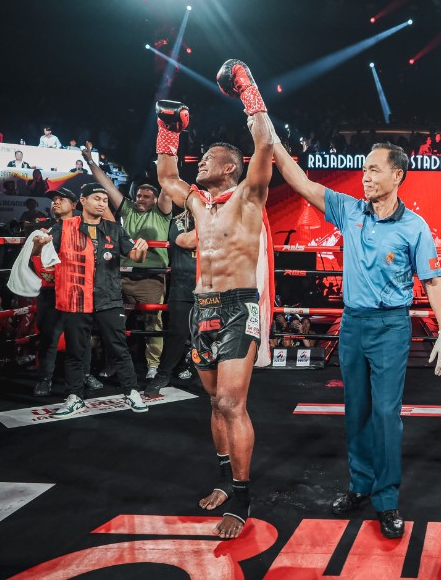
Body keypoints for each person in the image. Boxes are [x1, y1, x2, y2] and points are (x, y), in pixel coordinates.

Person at [272, 137, 441, 539]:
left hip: (391, 326)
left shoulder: (414, 226)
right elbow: (300, 181)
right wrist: (270, 138)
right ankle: (359, 485)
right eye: (365, 169)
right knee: (356, 410)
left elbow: (433, 282)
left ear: (397, 175)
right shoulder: (349, 210)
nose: (365, 177)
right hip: (353, 324)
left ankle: (386, 499)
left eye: (374, 169)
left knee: (386, 414)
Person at [154, 58, 273, 540]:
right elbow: (166, 177)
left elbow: (265, 143)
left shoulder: (248, 196)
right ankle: (225, 480)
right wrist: (168, 130)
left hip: (238, 306)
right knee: (214, 403)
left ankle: (242, 498)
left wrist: (247, 89)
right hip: (201, 308)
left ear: (230, 167)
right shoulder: (198, 204)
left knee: (230, 401)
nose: (199, 163)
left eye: (208, 159)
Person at [32, 184, 150, 418]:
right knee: (76, 351)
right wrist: (39, 242)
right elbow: (37, 253)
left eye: (105, 200)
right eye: (97, 198)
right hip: (76, 297)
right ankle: (75, 397)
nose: (102, 203)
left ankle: (131, 391)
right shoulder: (64, 226)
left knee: (119, 348)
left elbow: (136, 257)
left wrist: (142, 248)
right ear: (83, 201)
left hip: (109, 297)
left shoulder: (114, 228)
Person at [81, 142, 172, 379]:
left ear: (155, 199)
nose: (141, 198)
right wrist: (90, 160)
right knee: (114, 324)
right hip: (122, 275)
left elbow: (167, 187)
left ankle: (153, 366)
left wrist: (165, 161)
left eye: (146, 196)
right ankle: (113, 363)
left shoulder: (162, 212)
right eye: (138, 195)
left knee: (153, 323)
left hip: (150, 278)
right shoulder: (128, 209)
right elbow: (107, 185)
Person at [30, 187, 102, 397]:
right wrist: (47, 274)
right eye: (54, 200)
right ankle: (45, 378)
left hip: (78, 289)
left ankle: (85, 374)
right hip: (52, 290)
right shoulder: (46, 230)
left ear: (74, 204)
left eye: (61, 199)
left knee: (81, 335)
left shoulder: (86, 227)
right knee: (49, 336)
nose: (56, 202)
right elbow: (35, 257)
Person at [145, 211, 198, 397]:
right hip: (183, 286)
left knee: (211, 335)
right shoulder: (179, 221)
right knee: (177, 333)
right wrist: (211, 224)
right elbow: (186, 241)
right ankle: (163, 375)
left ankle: (203, 376)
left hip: (210, 287)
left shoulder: (219, 219)